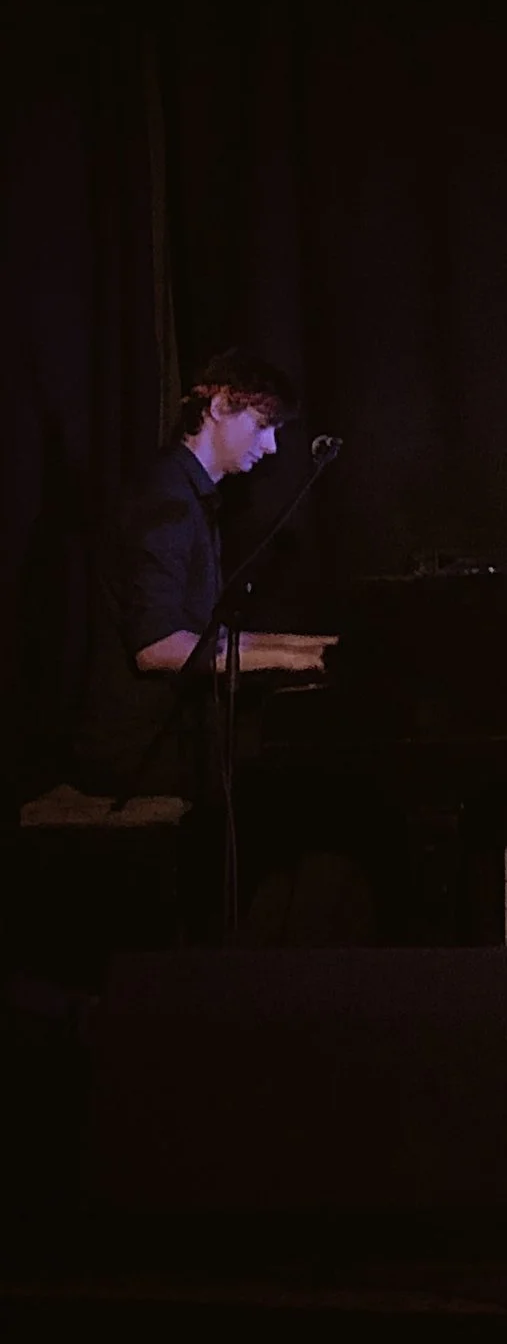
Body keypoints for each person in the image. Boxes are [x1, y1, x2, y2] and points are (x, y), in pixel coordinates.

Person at [75, 350, 334, 930]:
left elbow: (206, 634)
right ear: (219, 406)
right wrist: (293, 659)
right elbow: (159, 647)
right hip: (137, 748)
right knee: (296, 783)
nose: (271, 447)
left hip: (172, 734)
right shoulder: (163, 502)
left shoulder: (187, 497)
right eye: (263, 425)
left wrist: (312, 646)